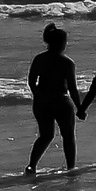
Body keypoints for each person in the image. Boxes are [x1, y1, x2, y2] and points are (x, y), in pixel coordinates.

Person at [25, 23, 80, 173]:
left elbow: (31, 82)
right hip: (61, 100)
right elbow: (73, 89)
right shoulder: (67, 63)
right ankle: (71, 168)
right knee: (68, 137)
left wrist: (38, 95)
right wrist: (80, 107)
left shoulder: (39, 59)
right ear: (62, 43)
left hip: (42, 101)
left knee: (45, 135)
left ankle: (32, 165)